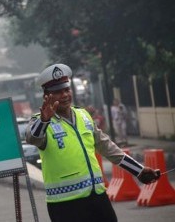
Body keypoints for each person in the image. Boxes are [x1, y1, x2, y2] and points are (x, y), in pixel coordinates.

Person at [25, 63, 160, 222]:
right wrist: (44, 120)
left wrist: (139, 170)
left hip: (97, 197)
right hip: (65, 206)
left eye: (66, 89)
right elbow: (32, 138)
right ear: (46, 96)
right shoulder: (40, 121)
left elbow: (108, 148)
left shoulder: (83, 115)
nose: (64, 95)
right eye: (57, 92)